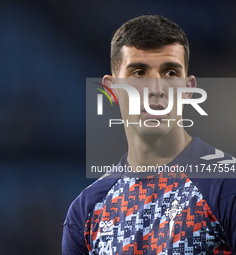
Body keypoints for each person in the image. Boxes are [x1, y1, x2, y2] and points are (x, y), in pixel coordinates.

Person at [62, 15, 236, 254]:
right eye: (139, 73)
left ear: (188, 90)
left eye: (170, 73)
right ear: (111, 91)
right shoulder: (86, 210)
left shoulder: (227, 185)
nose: (156, 89)